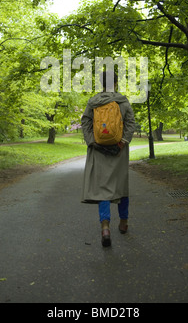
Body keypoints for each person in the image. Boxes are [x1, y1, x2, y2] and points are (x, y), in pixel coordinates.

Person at [81, 71, 136, 247]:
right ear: (117, 83)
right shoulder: (123, 101)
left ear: (101, 83)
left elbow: (85, 122)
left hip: (99, 150)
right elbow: (130, 123)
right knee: (120, 186)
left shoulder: (94, 101)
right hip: (118, 151)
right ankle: (124, 222)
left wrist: (92, 142)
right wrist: (122, 142)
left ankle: (105, 227)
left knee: (103, 189)